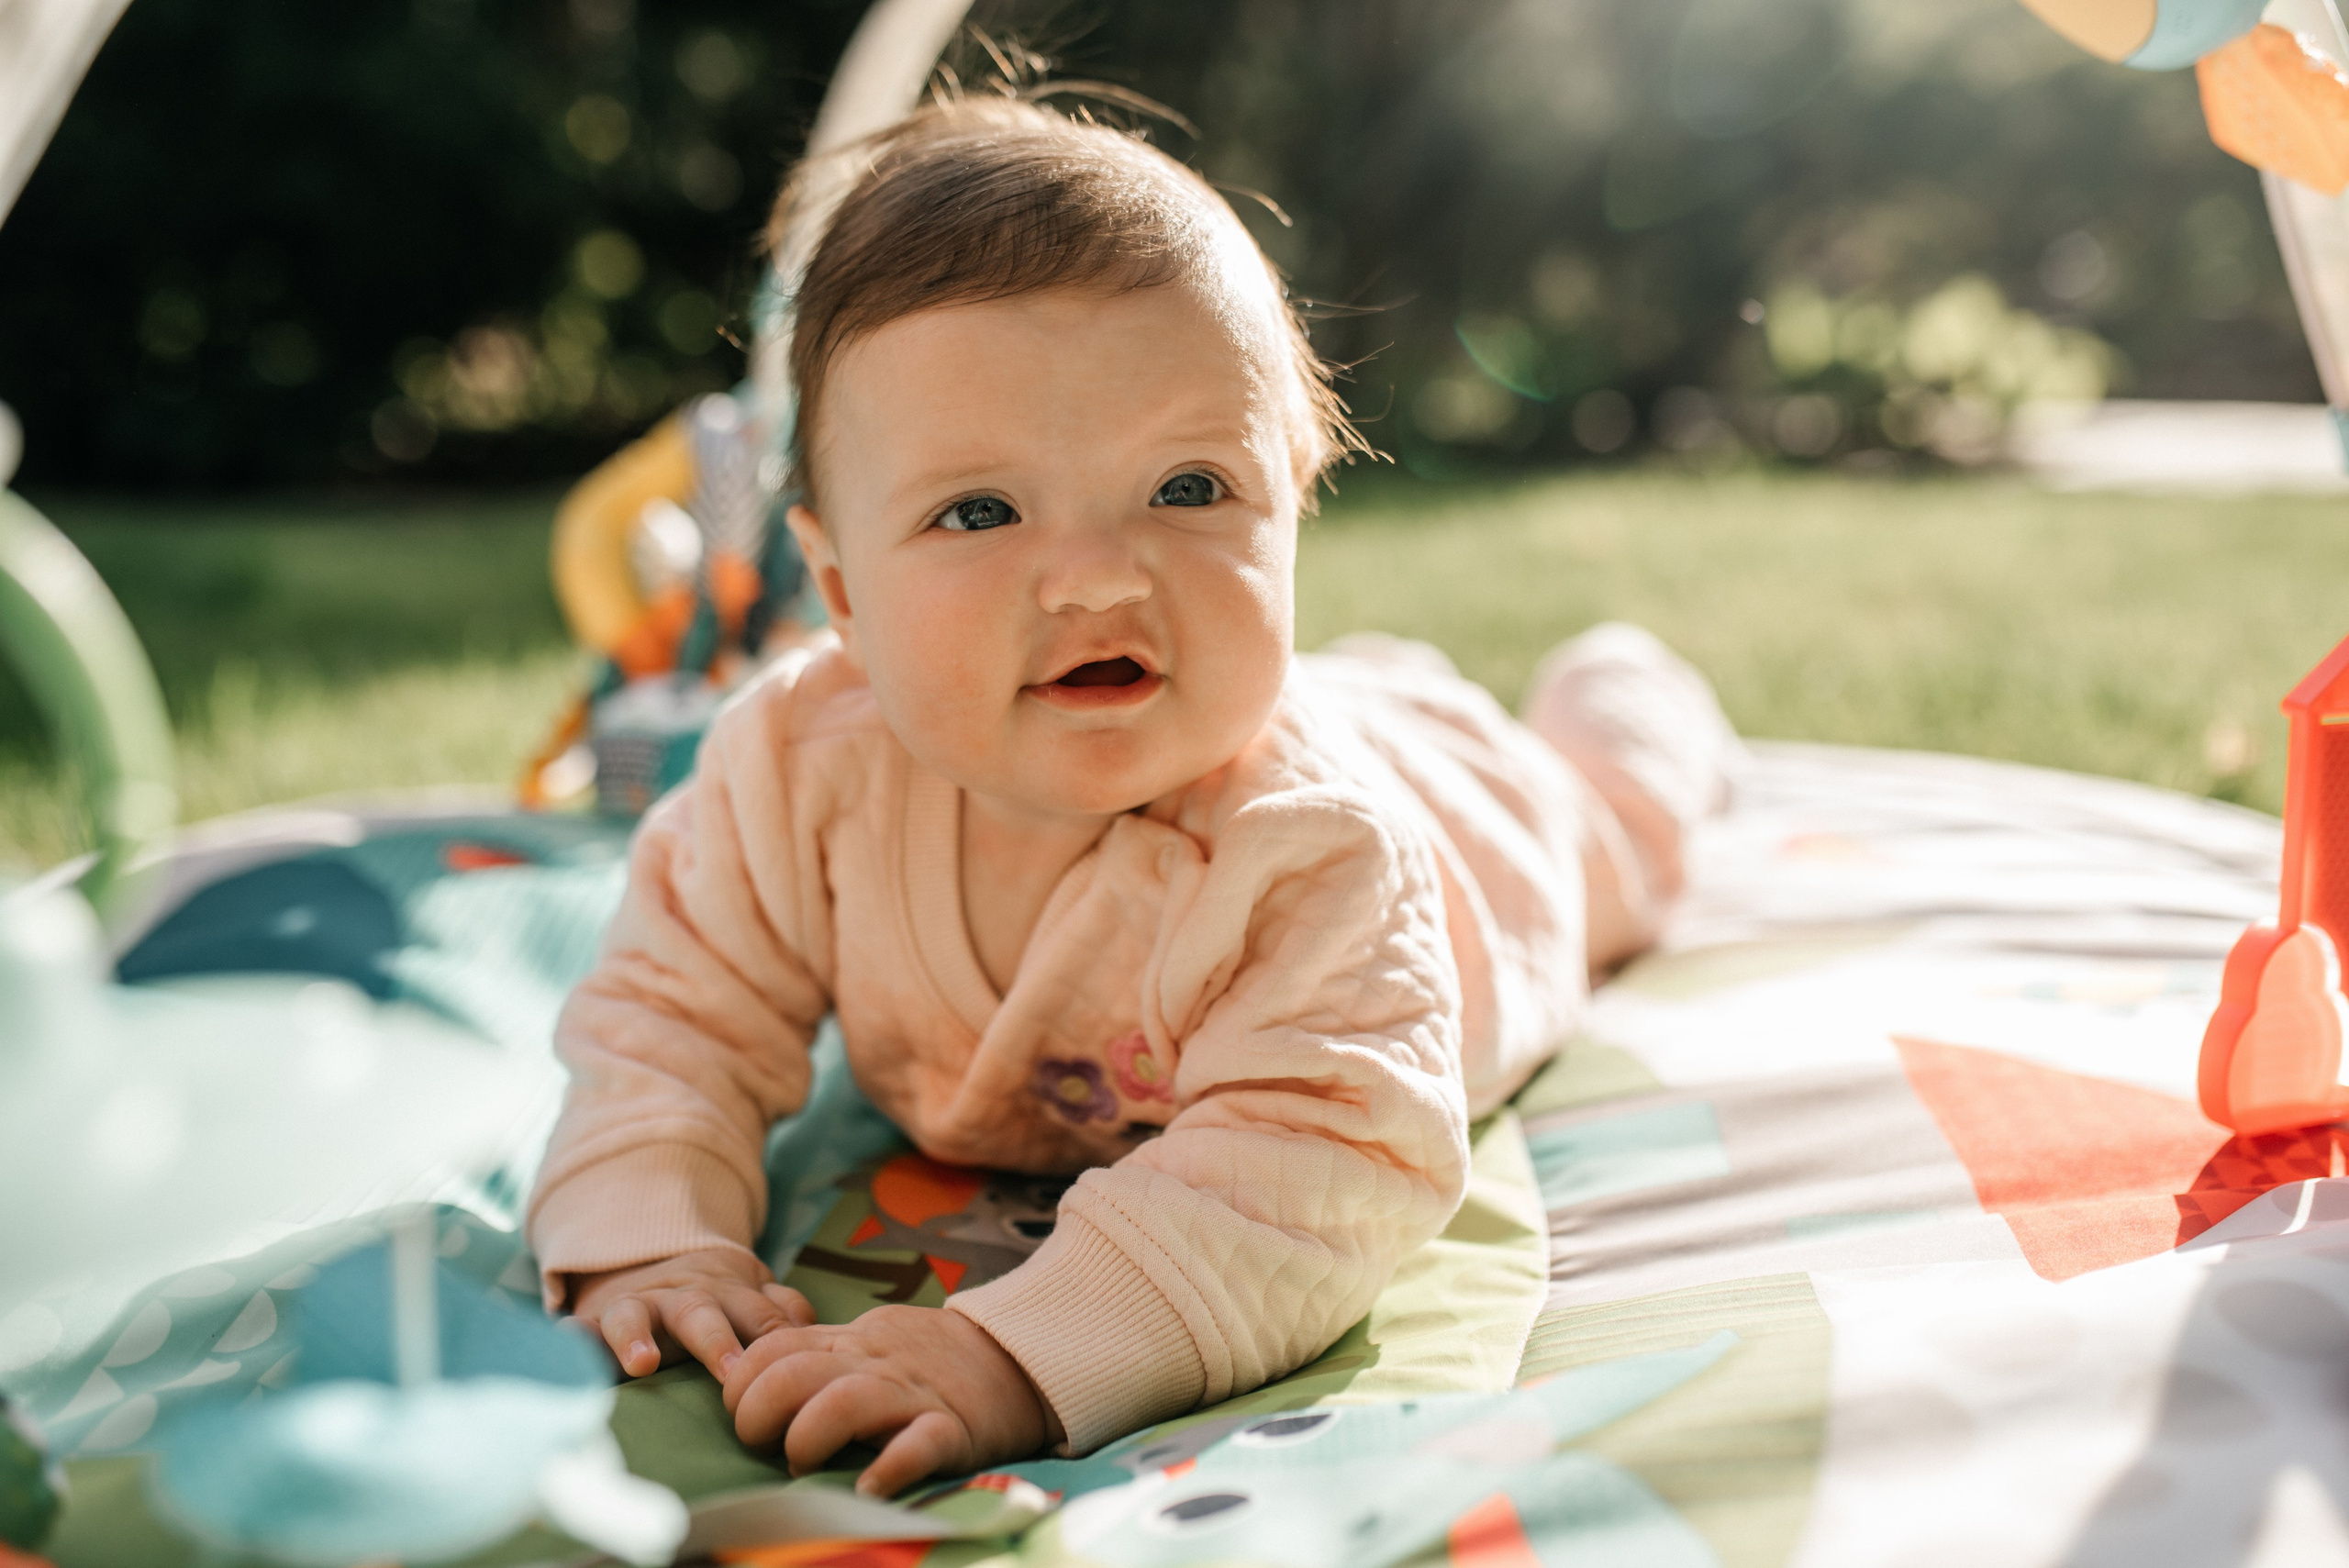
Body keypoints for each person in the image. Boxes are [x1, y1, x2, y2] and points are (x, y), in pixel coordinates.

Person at [524, 90, 1740, 1499]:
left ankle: (1630, 699)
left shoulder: (1319, 853)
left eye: (1187, 485)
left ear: (1293, 504)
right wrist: (652, 1225)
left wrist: (1017, 1350)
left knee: (1619, 825)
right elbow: (674, 1008)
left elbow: (1315, 1160)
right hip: (1305, 716)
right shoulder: (795, 776)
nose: (1101, 574)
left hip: (1488, 829)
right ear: (842, 591)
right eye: (979, 510)